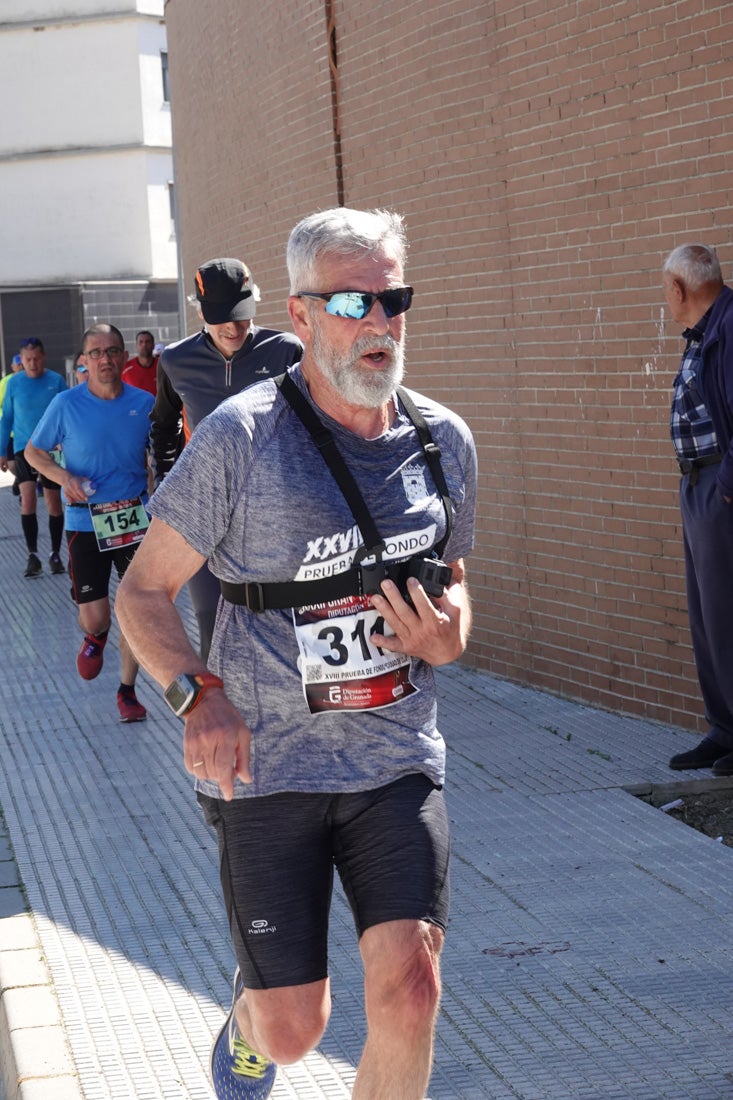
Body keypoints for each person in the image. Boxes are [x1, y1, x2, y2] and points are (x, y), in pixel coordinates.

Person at [116, 208, 477, 1100]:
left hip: (394, 758)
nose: (380, 321)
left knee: (410, 987)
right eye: (353, 299)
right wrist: (196, 694)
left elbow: (455, 581)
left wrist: (449, 632)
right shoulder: (238, 440)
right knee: (292, 1030)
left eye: (393, 297)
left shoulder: (441, 441)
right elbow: (142, 591)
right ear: (303, 314)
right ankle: (247, 1025)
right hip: (268, 771)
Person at [149, 256, 303, 661]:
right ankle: (220, 719)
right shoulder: (176, 360)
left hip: (275, 512)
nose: (234, 328)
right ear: (199, 310)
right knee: (211, 624)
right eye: (222, 318)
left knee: (284, 624)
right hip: (205, 513)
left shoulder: (287, 351)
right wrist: (169, 484)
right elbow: (163, 429)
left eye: (242, 315)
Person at [25, 323, 154, 723]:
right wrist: (66, 479)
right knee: (98, 615)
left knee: (135, 609)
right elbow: (33, 452)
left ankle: (127, 691)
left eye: (112, 351)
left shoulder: (145, 403)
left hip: (135, 519)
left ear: (124, 356)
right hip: (85, 522)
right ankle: (96, 635)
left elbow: (163, 455)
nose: (105, 360)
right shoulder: (66, 404)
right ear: (84, 361)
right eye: (95, 353)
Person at [663, 243, 733, 778]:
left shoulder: (729, 330)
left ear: (678, 289)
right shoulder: (704, 333)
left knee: (726, 612)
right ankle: (724, 729)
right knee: (708, 615)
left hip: (719, 488)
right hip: (698, 486)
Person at [0, 337, 67, 577]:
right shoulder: (14, 384)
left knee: (53, 502)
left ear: (44, 357)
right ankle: (32, 555)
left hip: (50, 449)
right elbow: (6, 417)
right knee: (27, 499)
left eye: (36, 358)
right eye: (27, 359)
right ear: (21, 360)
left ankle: (55, 553)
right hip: (22, 449)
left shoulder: (55, 381)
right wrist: (1, 451)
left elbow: (67, 414)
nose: (32, 363)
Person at [0, 354, 24, 495]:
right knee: (12, 465)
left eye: (22, 364)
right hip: (10, 431)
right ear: (12, 366)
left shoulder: (32, 381)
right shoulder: (5, 382)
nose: (21, 367)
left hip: (26, 432)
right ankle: (20, 478)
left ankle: (27, 485)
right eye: (18, 364)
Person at [122, 330, 159, 396]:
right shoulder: (125, 369)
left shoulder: (162, 367)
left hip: (158, 406)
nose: (144, 345)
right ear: (136, 346)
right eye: (141, 342)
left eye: (147, 342)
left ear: (153, 345)